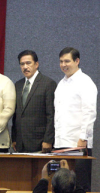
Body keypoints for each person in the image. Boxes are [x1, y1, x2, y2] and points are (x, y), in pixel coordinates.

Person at [54, 47, 97, 192]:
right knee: (62, 185)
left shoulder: (85, 82)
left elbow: (89, 112)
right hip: (61, 143)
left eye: (67, 61)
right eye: (61, 61)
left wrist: (83, 138)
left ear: (77, 61)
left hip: (78, 143)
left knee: (80, 185)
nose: (63, 65)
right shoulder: (61, 83)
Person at [12, 50, 56, 153]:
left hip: (40, 142)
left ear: (36, 64)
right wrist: (14, 138)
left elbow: (51, 115)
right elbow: (16, 114)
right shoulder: (18, 85)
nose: (25, 67)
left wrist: (48, 140)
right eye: (22, 64)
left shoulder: (48, 84)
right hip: (20, 142)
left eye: (28, 63)